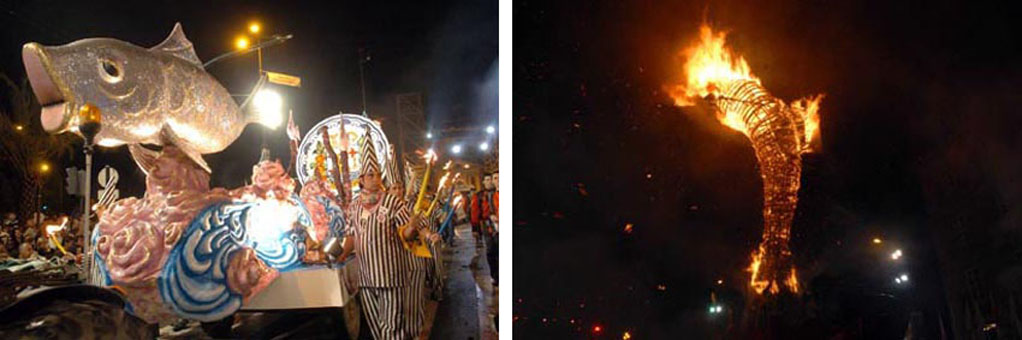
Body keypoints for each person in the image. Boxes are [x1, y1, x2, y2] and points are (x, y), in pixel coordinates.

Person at [339, 132, 430, 340]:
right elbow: (350, 236)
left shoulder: (393, 202)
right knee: (376, 328)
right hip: (366, 278)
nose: (376, 179)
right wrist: (341, 255)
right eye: (370, 175)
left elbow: (406, 234)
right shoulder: (353, 206)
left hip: (391, 276)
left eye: (378, 175)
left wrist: (413, 227)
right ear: (361, 179)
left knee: (392, 327)